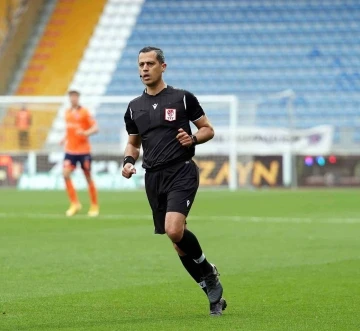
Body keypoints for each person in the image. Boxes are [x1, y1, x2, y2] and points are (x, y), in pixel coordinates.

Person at [122, 46, 227, 316]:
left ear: (163, 67)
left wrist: (192, 139)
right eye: (141, 64)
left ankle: (207, 271)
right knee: (177, 242)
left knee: (174, 230)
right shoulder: (134, 108)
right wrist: (128, 162)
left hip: (181, 171)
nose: (144, 69)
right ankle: (212, 293)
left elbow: (208, 129)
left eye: (149, 64)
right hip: (153, 177)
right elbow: (133, 144)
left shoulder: (182, 99)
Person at [61, 89, 99, 217]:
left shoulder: (84, 112)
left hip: (83, 151)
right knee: (65, 174)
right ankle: (74, 203)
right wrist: (64, 139)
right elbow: (69, 130)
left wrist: (85, 133)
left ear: (78, 98)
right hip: (70, 150)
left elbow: (95, 128)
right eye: (71, 96)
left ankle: (94, 205)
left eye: (75, 96)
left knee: (87, 177)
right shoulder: (67, 113)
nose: (73, 99)